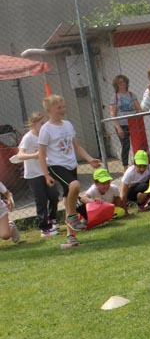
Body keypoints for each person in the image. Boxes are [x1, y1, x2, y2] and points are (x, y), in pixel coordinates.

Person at [38, 94, 102, 249]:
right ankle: (72, 217)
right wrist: (46, 175)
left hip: (71, 165)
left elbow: (76, 146)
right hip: (56, 166)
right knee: (75, 185)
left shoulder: (67, 125)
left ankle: (70, 237)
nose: (62, 110)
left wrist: (89, 159)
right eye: (58, 108)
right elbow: (41, 154)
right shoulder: (46, 129)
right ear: (49, 110)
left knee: (68, 200)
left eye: (64, 107)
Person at [18, 112, 59, 236]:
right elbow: (20, 155)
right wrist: (34, 155)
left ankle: (52, 218)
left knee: (54, 195)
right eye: (41, 123)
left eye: (45, 123)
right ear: (33, 124)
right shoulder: (28, 138)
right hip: (34, 175)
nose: (44, 126)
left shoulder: (45, 136)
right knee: (41, 200)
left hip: (46, 172)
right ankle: (44, 228)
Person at [109, 74, 142, 167]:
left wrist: (138, 118)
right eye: (119, 83)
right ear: (116, 85)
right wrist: (118, 128)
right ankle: (125, 166)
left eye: (124, 82)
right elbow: (112, 114)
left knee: (138, 144)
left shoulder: (132, 95)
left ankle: (139, 164)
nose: (122, 84)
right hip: (122, 124)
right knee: (125, 145)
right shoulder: (115, 97)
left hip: (133, 123)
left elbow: (139, 109)